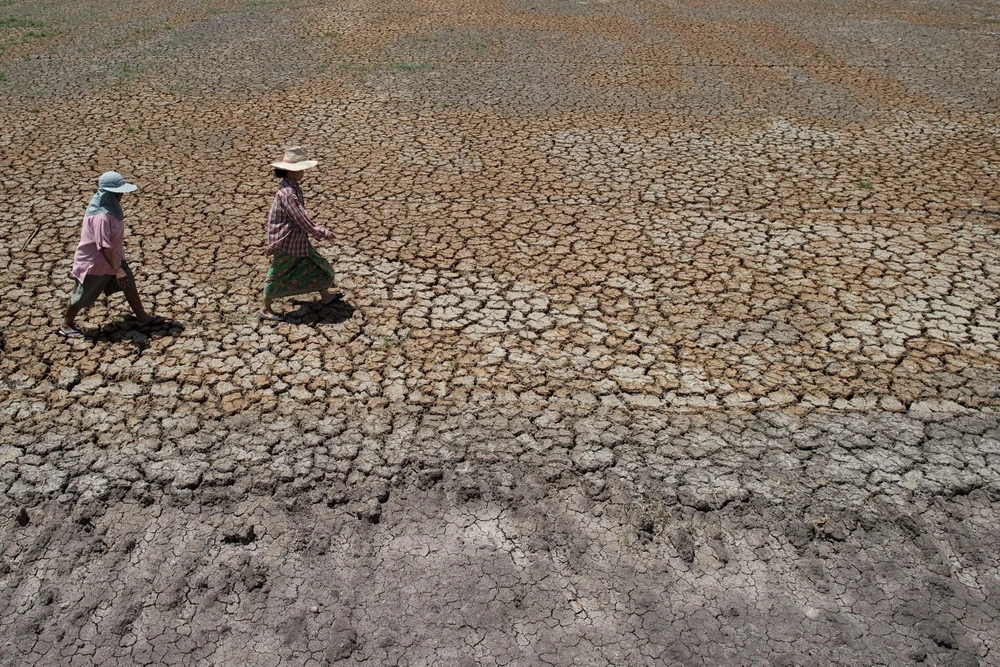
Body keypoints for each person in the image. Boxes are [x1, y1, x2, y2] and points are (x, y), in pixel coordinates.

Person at [58, 171, 164, 338]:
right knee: (82, 295)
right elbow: (102, 245)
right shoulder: (102, 216)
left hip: (114, 260)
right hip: (96, 264)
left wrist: (119, 266)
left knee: (129, 285)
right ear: (110, 193)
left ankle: (142, 318)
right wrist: (117, 269)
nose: (122, 194)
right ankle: (66, 324)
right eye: (119, 191)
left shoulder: (109, 207)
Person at [258, 146, 341, 320]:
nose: (303, 172)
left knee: (314, 264)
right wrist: (323, 232)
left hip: (296, 240)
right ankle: (265, 308)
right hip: (287, 242)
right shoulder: (288, 193)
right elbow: (301, 219)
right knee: (278, 272)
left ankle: (326, 296)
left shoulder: (292, 188)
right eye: (301, 169)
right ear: (292, 172)